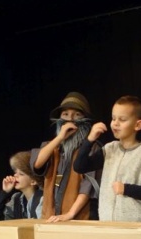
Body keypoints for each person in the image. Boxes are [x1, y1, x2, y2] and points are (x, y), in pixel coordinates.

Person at [73, 95, 141, 222]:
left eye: (122, 119)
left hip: (137, 226)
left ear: (138, 125)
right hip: (109, 225)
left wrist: (126, 189)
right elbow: (79, 167)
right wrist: (89, 140)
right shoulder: (109, 149)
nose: (115, 123)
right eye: (113, 118)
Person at [31, 92, 99, 222]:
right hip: (50, 218)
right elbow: (37, 164)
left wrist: (70, 214)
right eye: (65, 114)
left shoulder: (91, 149)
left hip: (78, 219)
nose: (70, 119)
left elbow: (87, 187)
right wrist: (60, 138)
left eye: (77, 114)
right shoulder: (50, 147)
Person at [0, 151, 43, 220]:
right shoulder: (17, 199)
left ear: (33, 181)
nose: (15, 175)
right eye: (15, 172)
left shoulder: (42, 199)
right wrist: (5, 192)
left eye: (21, 174)